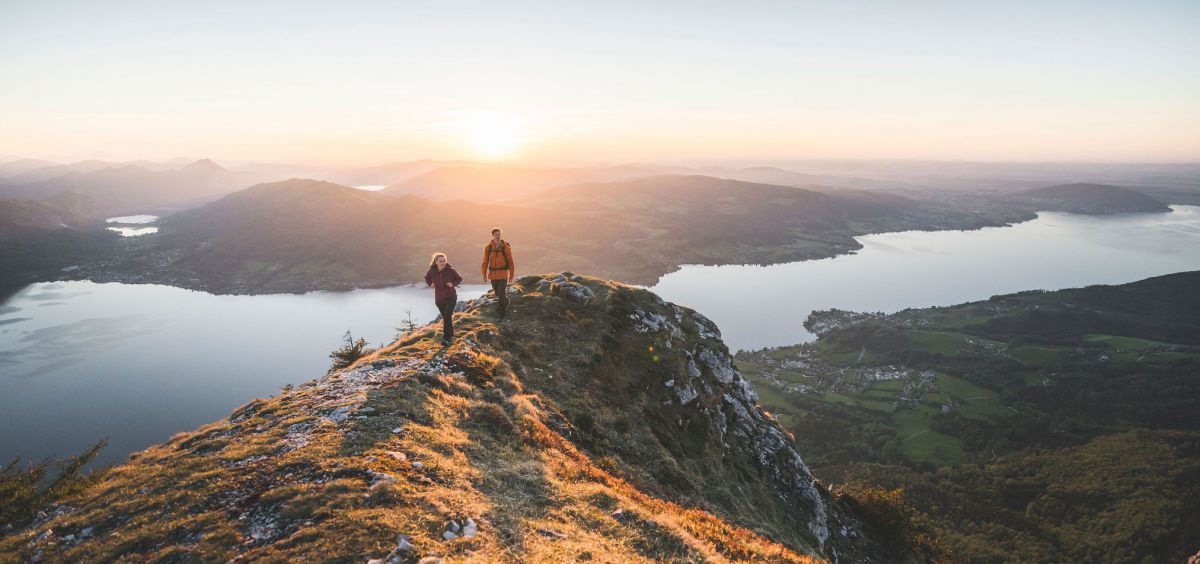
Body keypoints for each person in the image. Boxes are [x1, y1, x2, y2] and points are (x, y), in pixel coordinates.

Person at [424, 252, 462, 346]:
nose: (443, 263)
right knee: (446, 318)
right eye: (440, 261)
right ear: (436, 262)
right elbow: (427, 278)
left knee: (447, 317)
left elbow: (459, 279)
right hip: (439, 299)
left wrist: (452, 284)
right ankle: (451, 333)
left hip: (451, 297)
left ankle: (446, 338)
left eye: (444, 261)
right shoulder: (432, 271)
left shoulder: (450, 270)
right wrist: (430, 284)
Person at [481, 227, 515, 319]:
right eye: (496, 234)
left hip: (503, 274)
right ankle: (506, 301)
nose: (497, 236)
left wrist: (511, 275)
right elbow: (485, 262)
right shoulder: (488, 248)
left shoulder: (506, 247)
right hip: (493, 275)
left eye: (499, 234)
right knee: (497, 293)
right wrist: (484, 274)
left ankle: (502, 314)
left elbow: (511, 262)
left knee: (501, 295)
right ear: (492, 235)